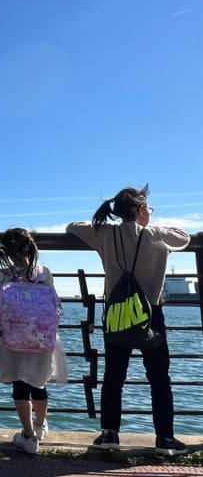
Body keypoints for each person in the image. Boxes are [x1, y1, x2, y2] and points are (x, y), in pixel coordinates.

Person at [67, 185, 190, 456]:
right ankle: (165, 439)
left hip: (117, 313)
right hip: (151, 314)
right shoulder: (158, 235)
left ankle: (110, 434)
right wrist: (150, 225)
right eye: (147, 207)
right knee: (159, 377)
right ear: (140, 209)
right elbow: (184, 237)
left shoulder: (104, 234)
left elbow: (72, 227)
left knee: (114, 375)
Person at [0, 228, 66, 455]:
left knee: (20, 385)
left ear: (6, 251)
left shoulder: (4, 275)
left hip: (13, 338)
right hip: (41, 336)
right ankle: (40, 426)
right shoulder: (44, 273)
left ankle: (29, 437)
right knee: (39, 383)